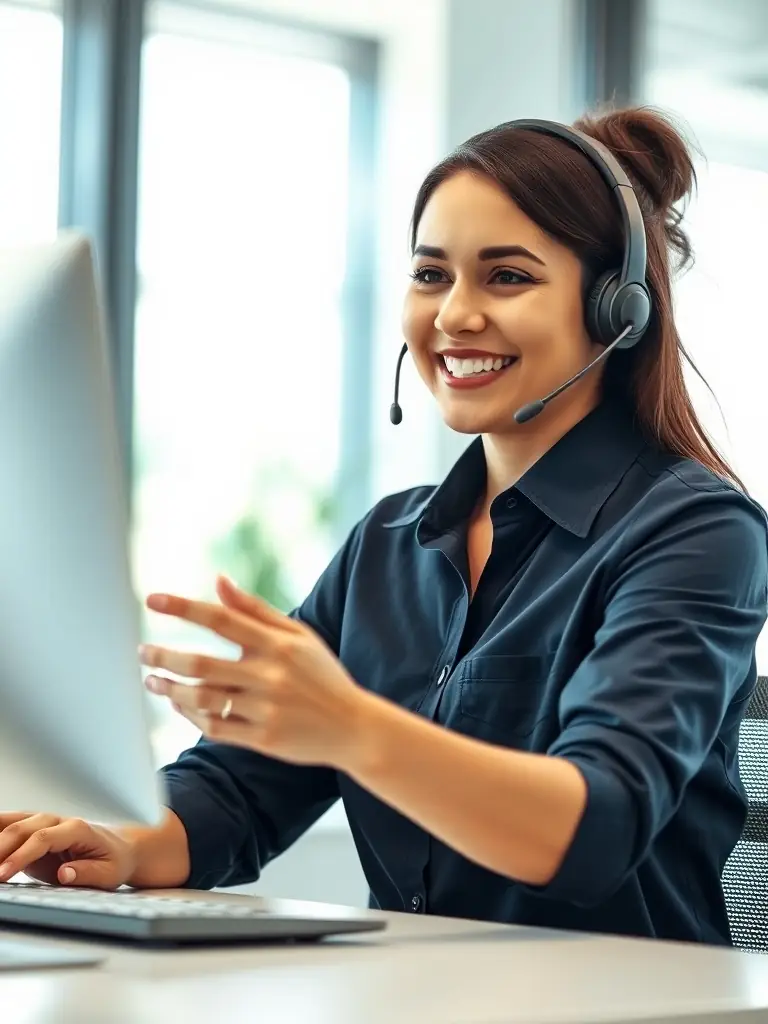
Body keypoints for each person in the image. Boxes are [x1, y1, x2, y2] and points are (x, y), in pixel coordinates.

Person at [1, 106, 766, 947]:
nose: (455, 315)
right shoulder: (390, 542)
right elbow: (242, 790)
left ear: (616, 310)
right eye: (431, 274)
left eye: (507, 277)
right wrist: (118, 841)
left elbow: (596, 829)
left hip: (633, 998)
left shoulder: (697, 532)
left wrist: (351, 726)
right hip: (416, 991)